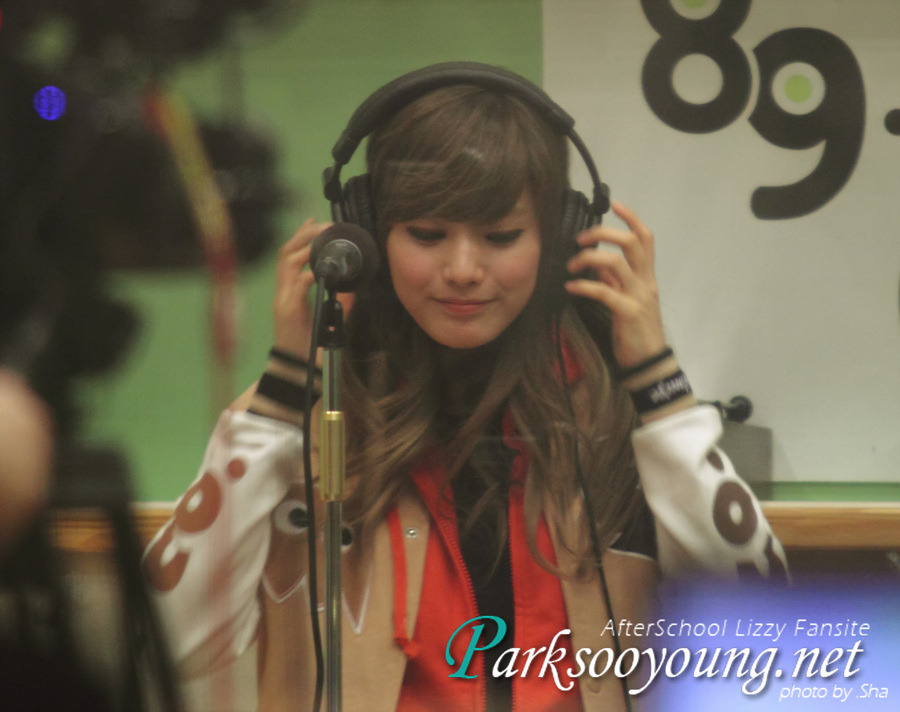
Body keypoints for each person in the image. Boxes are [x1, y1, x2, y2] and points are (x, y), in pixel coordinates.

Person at [144, 63, 786, 712]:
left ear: (557, 240)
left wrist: (658, 386)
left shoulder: (618, 421)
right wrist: (285, 392)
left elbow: (763, 632)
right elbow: (175, 644)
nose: (462, 270)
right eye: (427, 235)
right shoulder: (311, 425)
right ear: (369, 233)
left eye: (501, 237)